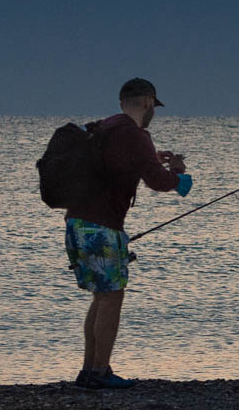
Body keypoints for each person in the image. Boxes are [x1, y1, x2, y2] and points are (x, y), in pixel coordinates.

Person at [64, 77, 191, 389]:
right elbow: (159, 182)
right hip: (101, 227)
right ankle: (99, 373)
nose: (153, 114)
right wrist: (179, 174)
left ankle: (89, 371)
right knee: (112, 298)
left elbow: (120, 164)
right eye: (153, 107)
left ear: (122, 102)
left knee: (101, 297)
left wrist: (152, 157)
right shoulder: (135, 135)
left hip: (76, 224)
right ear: (147, 103)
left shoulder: (104, 128)